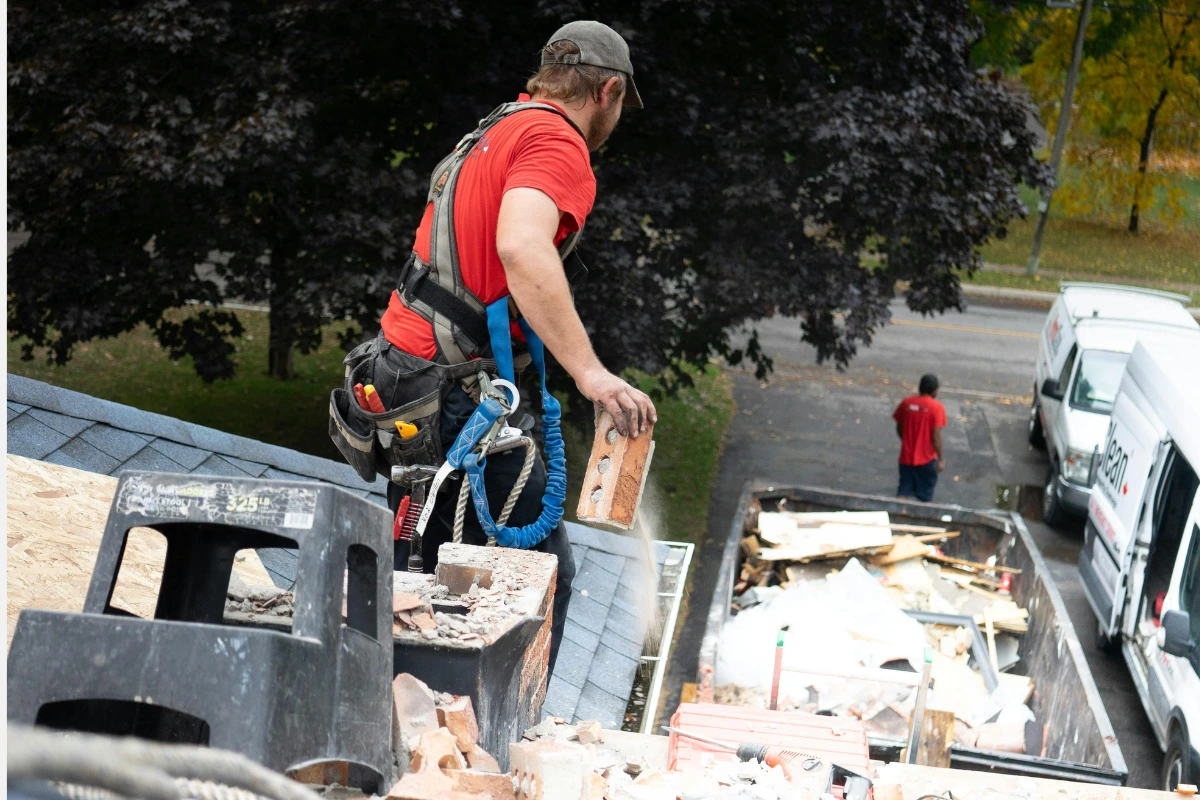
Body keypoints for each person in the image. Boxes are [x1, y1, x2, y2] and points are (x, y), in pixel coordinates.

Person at [332, 21, 656, 674]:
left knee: (418, 565)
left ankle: (383, 706)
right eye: (620, 106)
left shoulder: (496, 129)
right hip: (453, 395)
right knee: (524, 583)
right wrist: (590, 374)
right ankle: (475, 754)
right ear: (609, 91)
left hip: (406, 378)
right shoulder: (556, 142)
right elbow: (521, 246)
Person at [892, 374, 946, 502]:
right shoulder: (937, 408)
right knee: (926, 496)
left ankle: (897, 516)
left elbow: (899, 427)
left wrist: (906, 440)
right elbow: (936, 437)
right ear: (934, 390)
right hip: (926, 460)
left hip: (906, 458)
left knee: (903, 491)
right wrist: (940, 459)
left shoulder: (907, 403)